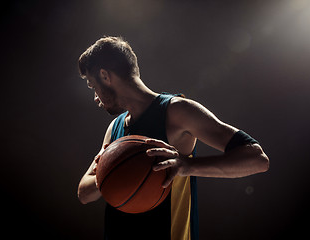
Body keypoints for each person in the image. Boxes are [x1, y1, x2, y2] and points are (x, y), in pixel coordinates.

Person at [77, 36, 269, 240]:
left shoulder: (177, 111)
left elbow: (257, 159)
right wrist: (112, 174)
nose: (96, 97)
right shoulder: (114, 128)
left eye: (92, 85)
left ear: (105, 76)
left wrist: (187, 166)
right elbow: (83, 193)